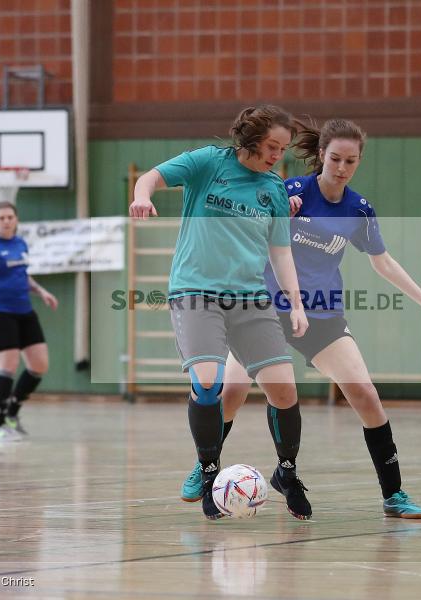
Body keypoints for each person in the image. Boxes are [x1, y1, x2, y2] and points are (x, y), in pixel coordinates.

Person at [180, 118, 421, 519]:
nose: (342, 168)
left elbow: (383, 262)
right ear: (320, 156)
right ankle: (204, 467)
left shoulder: (358, 209)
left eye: (351, 161)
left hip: (323, 316)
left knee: (365, 394)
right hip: (264, 311)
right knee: (230, 395)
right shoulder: (288, 191)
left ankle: (394, 494)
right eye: (335, 159)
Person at [129, 105, 312, 520]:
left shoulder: (273, 189)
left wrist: (296, 303)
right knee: (208, 383)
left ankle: (287, 472)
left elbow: (280, 254)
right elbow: (151, 178)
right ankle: (209, 475)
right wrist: (142, 196)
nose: (276, 156)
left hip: (250, 298)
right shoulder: (208, 162)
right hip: (196, 293)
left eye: (282, 149)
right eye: (271, 146)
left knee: (283, 389)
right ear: (250, 136)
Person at [0, 201, 58, 442]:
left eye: (10, 217)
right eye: (2, 218)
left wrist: (42, 291)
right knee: (7, 366)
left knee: (39, 364)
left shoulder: (20, 243)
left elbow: (22, 275)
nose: (7, 221)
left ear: (16, 220)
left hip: (24, 311)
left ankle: (12, 414)